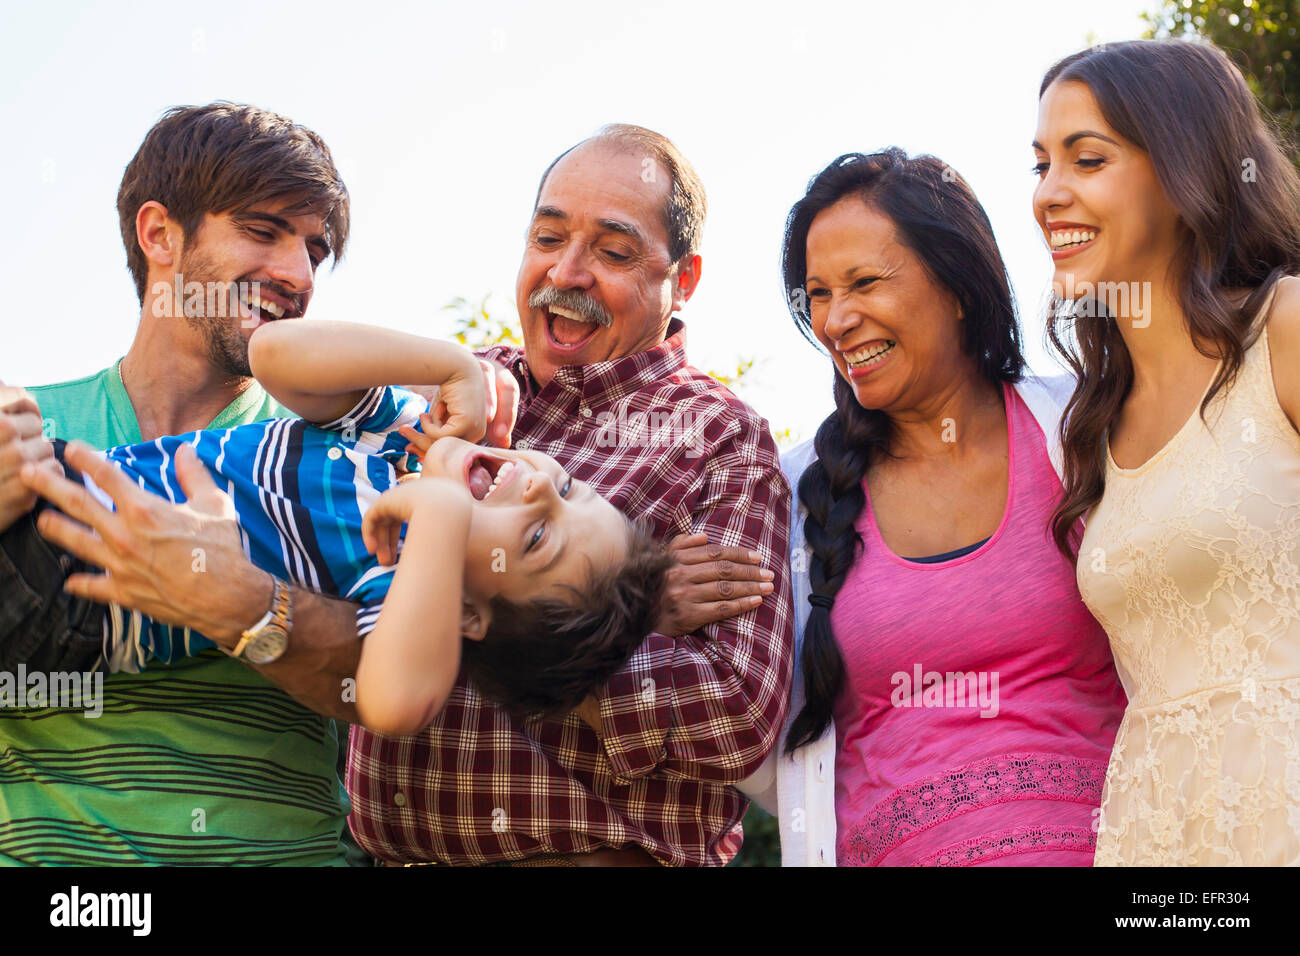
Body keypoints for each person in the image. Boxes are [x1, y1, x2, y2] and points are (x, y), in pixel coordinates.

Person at [347, 124, 795, 867]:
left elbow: (740, 711)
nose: (569, 271)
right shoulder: (448, 392)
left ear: (682, 281)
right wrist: (640, 613)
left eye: (614, 252)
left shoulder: (720, 437)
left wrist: (556, 634)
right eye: (548, 237)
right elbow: (325, 562)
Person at [0, 102, 374, 866]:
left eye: (315, 248)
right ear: (159, 234)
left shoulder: (336, 457)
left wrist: (244, 603)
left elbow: (388, 683)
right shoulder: (26, 430)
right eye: (264, 231)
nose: (298, 274)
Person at [5, 318, 673, 738]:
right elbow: (274, 351)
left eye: (536, 538)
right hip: (62, 485)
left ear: (466, 611)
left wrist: (438, 515)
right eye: (565, 486)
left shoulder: (398, 580)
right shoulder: (397, 434)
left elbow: (396, 704)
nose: (535, 486)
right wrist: (449, 365)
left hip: (64, 591)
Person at [739, 149, 1127, 866]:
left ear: (957, 286)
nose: (836, 320)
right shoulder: (787, 495)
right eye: (817, 294)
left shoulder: (1085, 427)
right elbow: (754, 735)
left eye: (863, 283)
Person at [1033, 40, 1300, 866]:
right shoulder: (1090, 424)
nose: (1049, 194)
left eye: (1088, 158)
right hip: (1154, 839)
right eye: (1040, 164)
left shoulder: (1284, 329)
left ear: (1183, 172)